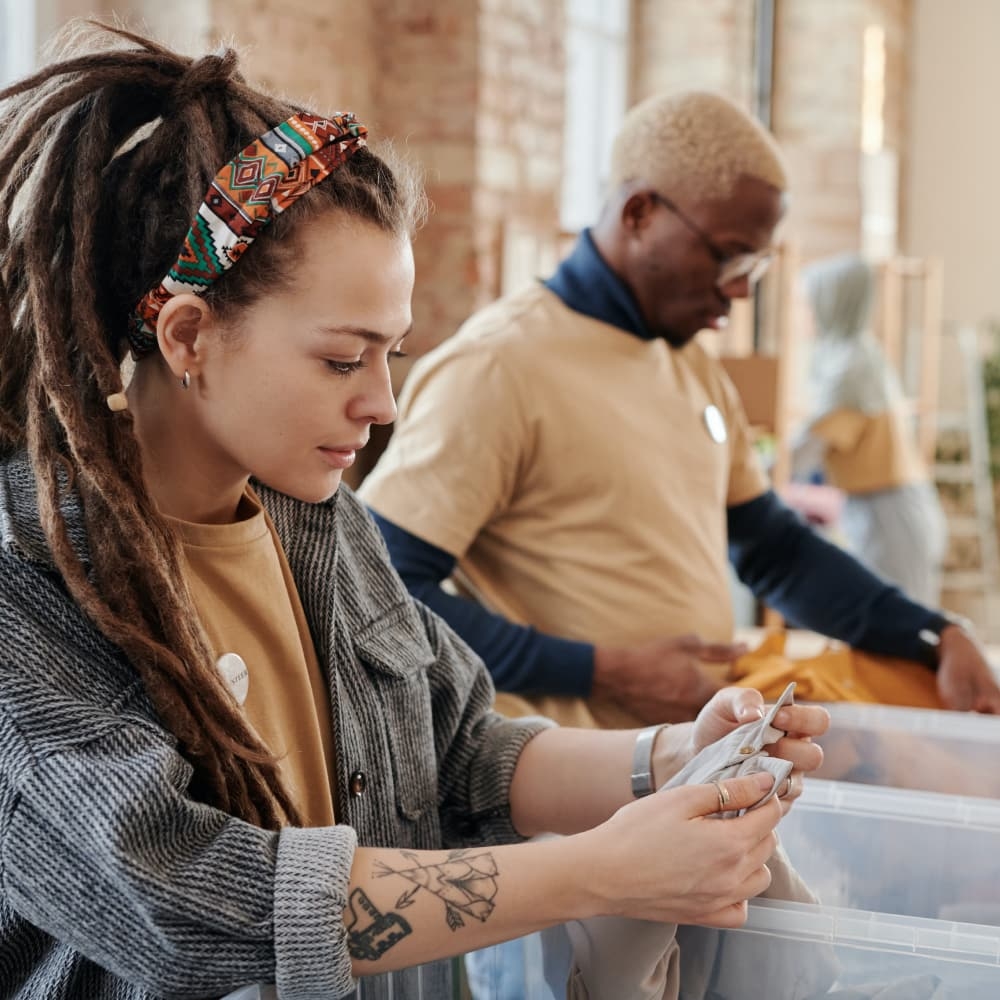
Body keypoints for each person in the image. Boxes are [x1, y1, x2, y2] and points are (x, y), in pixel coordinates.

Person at [0, 24, 829, 1000]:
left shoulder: (314, 518)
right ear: (189, 336)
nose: (382, 403)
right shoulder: (31, 590)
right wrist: (601, 868)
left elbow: (464, 751)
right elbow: (184, 900)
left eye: (391, 355)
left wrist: (673, 754)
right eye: (343, 359)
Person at [359, 90, 1000, 729]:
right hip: (567, 792)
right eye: (728, 254)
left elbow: (775, 549)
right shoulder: (499, 368)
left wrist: (934, 633)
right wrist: (600, 670)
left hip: (691, 761)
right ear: (639, 213)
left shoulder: (689, 363)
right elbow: (385, 590)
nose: (742, 288)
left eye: (758, 262)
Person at [791, 252, 947, 606]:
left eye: (807, 303)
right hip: (877, 508)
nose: (802, 315)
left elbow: (804, 450)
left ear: (831, 303)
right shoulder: (851, 356)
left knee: (898, 634)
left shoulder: (851, 369)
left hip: (891, 514)